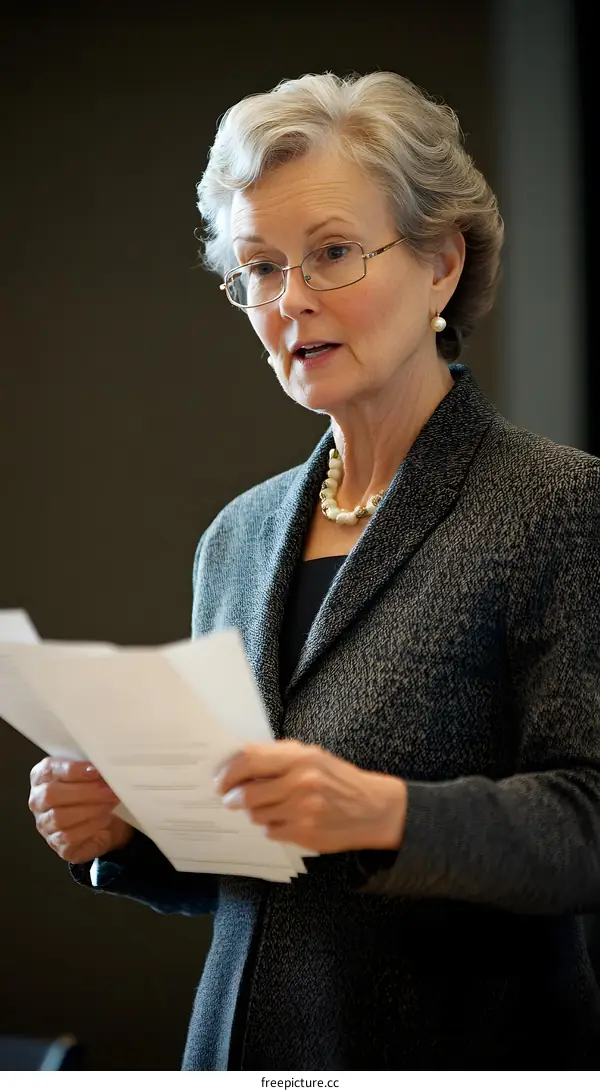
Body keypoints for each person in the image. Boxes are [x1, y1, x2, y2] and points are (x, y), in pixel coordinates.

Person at [28, 71, 600, 1070]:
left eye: (332, 252)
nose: (289, 299)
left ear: (440, 264)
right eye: (258, 267)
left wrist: (385, 811)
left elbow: (588, 822)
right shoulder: (237, 537)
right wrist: (128, 826)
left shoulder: (556, 505)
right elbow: (254, 866)